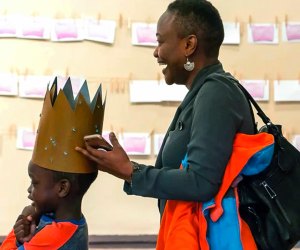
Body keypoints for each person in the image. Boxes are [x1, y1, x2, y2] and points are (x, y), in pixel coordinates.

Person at [76, 0, 274, 249]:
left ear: (189, 45)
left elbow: (201, 182)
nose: (156, 52)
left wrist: (130, 171)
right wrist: (127, 167)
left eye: (160, 41)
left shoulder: (216, 93)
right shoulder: (204, 92)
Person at [0, 78, 106, 250]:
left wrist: (15, 234)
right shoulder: (73, 223)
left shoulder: (54, 237)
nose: (29, 190)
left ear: (62, 188)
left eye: (35, 183)